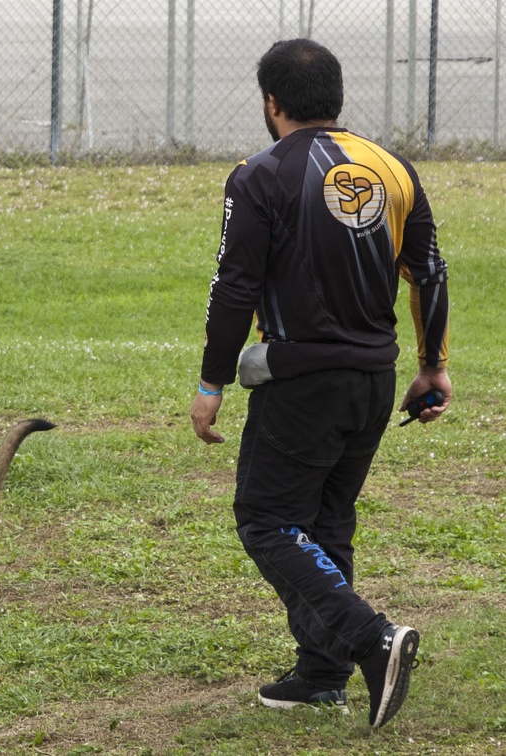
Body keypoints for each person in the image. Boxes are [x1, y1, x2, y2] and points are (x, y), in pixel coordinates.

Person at [189, 39, 452, 729]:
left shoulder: (258, 175)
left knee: (267, 519)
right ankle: (320, 671)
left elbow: (233, 285)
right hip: (374, 377)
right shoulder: (392, 167)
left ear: (270, 103)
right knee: (326, 521)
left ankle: (371, 638)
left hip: (302, 380)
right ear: (334, 98)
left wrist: (212, 380)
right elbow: (428, 271)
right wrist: (433, 366)